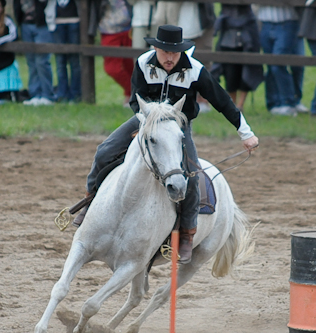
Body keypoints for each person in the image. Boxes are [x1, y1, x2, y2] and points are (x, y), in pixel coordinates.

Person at [73, 25, 260, 264]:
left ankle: (187, 234)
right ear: (155, 49)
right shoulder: (142, 63)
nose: (170, 58)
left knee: (192, 175)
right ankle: (90, 202)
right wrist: (146, 123)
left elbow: (223, 101)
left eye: (175, 53)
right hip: (147, 121)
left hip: (178, 127)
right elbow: (135, 99)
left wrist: (246, 133)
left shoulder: (195, 70)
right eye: (165, 52)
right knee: (104, 151)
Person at [211, 4, 264, 110]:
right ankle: (233, 104)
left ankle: (240, 105)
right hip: (227, 25)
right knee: (229, 70)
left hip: (247, 24)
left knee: (248, 67)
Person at [258, 6, 304, 116]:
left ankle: (288, 102)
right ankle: (274, 103)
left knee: (278, 64)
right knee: (270, 65)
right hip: (265, 22)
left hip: (287, 21)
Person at [89, 0, 134, 106]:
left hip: (129, 28)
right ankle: (136, 92)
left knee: (130, 66)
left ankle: (130, 96)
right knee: (112, 68)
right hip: (108, 30)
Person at [14, 0, 55, 105]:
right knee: (31, 61)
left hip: (42, 23)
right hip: (25, 24)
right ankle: (34, 94)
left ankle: (47, 95)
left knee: (42, 61)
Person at [46, 0, 81, 103]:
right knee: (60, 61)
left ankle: (75, 94)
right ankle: (62, 94)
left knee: (74, 60)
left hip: (74, 20)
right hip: (56, 21)